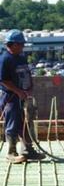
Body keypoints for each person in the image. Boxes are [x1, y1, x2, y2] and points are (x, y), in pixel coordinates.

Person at [0, 29, 45, 163]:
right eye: (20, 44)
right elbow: (3, 79)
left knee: (27, 123)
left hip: (23, 96)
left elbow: (27, 73)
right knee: (12, 123)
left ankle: (28, 150)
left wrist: (29, 88)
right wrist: (17, 91)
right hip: (11, 97)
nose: (22, 46)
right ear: (12, 44)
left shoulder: (21, 57)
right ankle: (11, 152)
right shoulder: (5, 59)